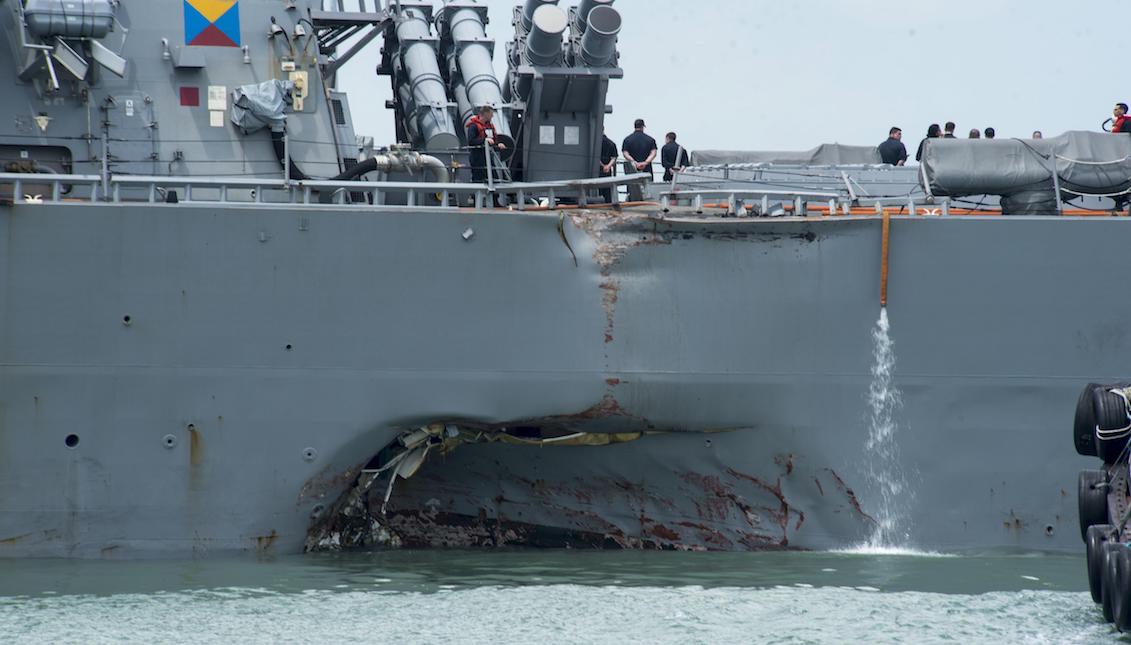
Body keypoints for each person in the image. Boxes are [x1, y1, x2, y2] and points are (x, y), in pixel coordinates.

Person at [466, 106, 506, 188]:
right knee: (478, 180)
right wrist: (484, 140)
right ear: (485, 114)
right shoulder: (473, 126)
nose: (492, 116)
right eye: (491, 114)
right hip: (477, 158)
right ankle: (476, 199)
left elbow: (493, 140)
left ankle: (495, 199)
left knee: (494, 178)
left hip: (489, 157)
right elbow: (471, 141)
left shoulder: (489, 126)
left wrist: (498, 144)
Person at [622, 118, 657, 201]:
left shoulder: (627, 139)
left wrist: (634, 162)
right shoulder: (650, 140)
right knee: (647, 190)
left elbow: (625, 153)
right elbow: (653, 153)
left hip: (632, 168)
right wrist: (645, 162)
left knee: (632, 188)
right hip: (647, 168)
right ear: (643, 127)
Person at [598, 132, 618, 203]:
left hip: (597, 170)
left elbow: (595, 158)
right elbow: (614, 157)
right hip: (607, 170)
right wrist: (608, 166)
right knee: (607, 189)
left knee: (598, 188)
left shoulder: (596, 143)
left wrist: (602, 165)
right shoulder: (611, 143)